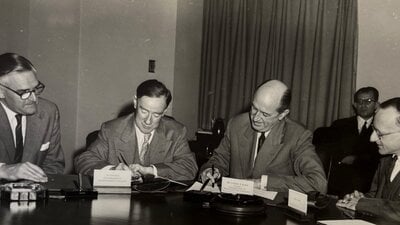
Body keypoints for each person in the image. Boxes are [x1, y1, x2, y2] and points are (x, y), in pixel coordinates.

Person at [199, 80, 327, 193]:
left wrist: (263, 183)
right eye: (254, 108)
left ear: (282, 114)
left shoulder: (297, 135)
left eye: (265, 114)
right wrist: (211, 171)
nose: (256, 118)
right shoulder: (236, 124)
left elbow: (318, 183)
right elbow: (219, 160)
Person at [74, 79, 198, 180]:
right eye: (143, 111)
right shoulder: (112, 130)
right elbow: (83, 161)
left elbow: (189, 167)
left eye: (156, 115)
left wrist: (152, 170)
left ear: (164, 112)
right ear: (135, 102)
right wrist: (112, 170)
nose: (148, 121)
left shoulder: (176, 131)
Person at [0, 53, 65, 182]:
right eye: (23, 92)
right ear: (1, 91)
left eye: (35, 89)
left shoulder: (48, 111)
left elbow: (53, 166)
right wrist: (3, 170)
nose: (34, 99)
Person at [337, 97, 400, 222]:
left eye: (380, 134)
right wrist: (361, 198)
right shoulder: (385, 161)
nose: (372, 138)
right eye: (373, 130)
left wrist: (363, 203)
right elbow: (379, 197)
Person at [327, 87, 381, 197]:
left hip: (369, 183)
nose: (363, 105)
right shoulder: (339, 125)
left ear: (376, 104)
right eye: (360, 101)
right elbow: (332, 152)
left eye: (368, 101)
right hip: (340, 181)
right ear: (355, 105)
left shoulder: (381, 126)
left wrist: (356, 159)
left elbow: (378, 157)